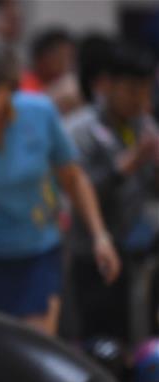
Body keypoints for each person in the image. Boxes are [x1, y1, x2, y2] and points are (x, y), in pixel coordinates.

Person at [0, 33, 120, 336]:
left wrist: (100, 236)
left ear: (10, 84)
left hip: (36, 253)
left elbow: (73, 177)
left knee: (32, 353)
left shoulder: (40, 112)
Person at [64, 42, 159, 343]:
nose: (140, 101)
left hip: (138, 253)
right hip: (92, 255)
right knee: (99, 342)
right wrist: (126, 166)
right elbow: (77, 193)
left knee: (137, 340)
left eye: (146, 91)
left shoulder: (144, 126)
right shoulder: (80, 129)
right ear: (108, 85)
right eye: (132, 90)